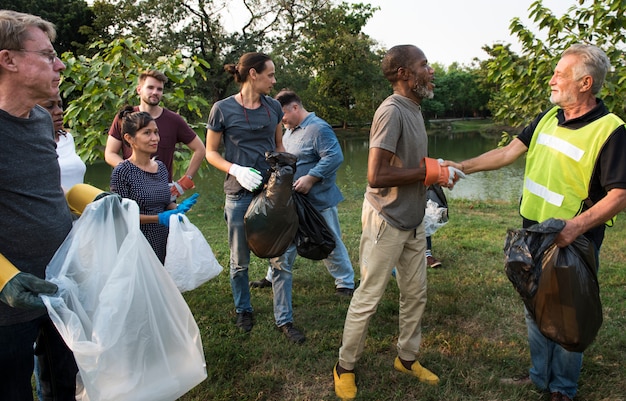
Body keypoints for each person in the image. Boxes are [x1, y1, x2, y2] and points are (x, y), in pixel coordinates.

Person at [443, 44, 626, 401]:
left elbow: (619, 195)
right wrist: (461, 166)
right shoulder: (547, 117)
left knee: (568, 313)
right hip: (532, 232)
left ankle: (562, 388)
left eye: (560, 74)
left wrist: (574, 227)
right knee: (535, 306)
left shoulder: (611, 130)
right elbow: (508, 153)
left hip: (573, 238)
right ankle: (539, 377)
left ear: (585, 83)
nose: (552, 79)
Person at [332, 44, 463, 400]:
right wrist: (428, 172)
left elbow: (412, 164)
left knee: (415, 294)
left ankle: (407, 359)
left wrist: (436, 168)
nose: (431, 70)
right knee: (369, 296)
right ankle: (344, 366)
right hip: (386, 220)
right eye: (424, 64)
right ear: (404, 73)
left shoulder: (415, 108)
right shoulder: (391, 111)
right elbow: (376, 174)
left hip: (414, 219)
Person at [0, 10, 79, 400]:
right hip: (7, 310)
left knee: (63, 386)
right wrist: (2, 276)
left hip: (57, 288)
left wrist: (94, 200)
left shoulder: (38, 121)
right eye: (48, 55)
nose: (60, 63)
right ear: (8, 59)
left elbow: (46, 191)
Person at [205, 52, 306, 343]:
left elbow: (278, 144)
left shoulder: (273, 107)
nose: (274, 80)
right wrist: (235, 168)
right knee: (240, 261)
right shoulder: (222, 109)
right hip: (238, 194)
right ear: (252, 74)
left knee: (281, 258)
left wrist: (284, 173)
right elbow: (211, 152)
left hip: (270, 194)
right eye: (270, 75)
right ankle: (243, 309)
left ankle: (284, 319)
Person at [249, 89, 355, 297]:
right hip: (292, 201)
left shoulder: (318, 128)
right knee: (283, 237)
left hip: (318, 200)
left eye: (283, 116)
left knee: (327, 238)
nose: (282, 122)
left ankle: (346, 282)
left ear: (295, 107)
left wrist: (311, 177)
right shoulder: (289, 131)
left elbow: (334, 157)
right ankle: (272, 277)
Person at [110, 106, 198, 264]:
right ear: (129, 138)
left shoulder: (160, 167)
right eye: (147, 133)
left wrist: (176, 209)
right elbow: (122, 217)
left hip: (164, 240)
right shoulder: (122, 172)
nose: (155, 138)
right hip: (138, 244)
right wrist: (157, 218)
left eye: (156, 132)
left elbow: (164, 202)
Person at [105, 69, 205, 195]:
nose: (155, 92)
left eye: (159, 89)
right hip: (131, 189)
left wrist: (185, 182)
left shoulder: (174, 120)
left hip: (163, 191)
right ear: (139, 90)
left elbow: (200, 149)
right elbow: (110, 153)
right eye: (150, 87)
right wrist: (134, 172)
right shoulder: (126, 118)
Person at [39, 94, 86, 193]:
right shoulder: (30, 144)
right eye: (49, 106)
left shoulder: (67, 138)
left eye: (60, 105)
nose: (59, 111)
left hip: (79, 206)